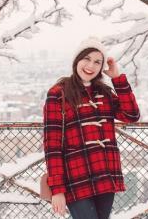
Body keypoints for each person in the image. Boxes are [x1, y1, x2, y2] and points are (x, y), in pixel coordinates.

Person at [43, 37, 140, 219]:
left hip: (105, 173)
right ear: (76, 61)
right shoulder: (58, 93)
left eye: (97, 62)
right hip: (75, 177)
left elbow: (131, 115)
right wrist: (57, 189)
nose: (91, 66)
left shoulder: (104, 92)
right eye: (86, 59)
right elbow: (52, 145)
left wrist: (117, 79)